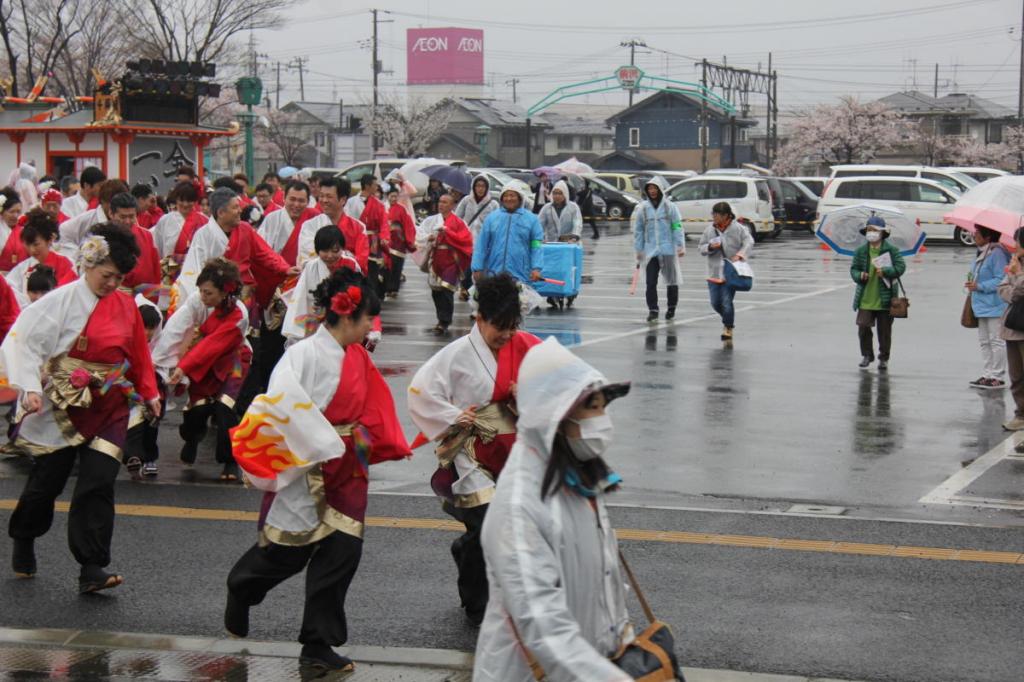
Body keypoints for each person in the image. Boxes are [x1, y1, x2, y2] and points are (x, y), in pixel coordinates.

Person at [224, 267, 409, 672]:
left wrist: (386, 442)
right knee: (291, 553)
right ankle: (242, 585)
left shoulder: (357, 356)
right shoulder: (302, 355)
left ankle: (317, 644)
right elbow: (278, 408)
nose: (369, 329)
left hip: (347, 467)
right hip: (309, 464)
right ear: (347, 316)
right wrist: (322, 441)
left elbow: (374, 406)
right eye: (367, 320)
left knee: (344, 552)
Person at [3, 224, 160, 592]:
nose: (111, 283)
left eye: (118, 278)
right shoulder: (61, 301)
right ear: (88, 264)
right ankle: (24, 534)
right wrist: (28, 387)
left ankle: (92, 567)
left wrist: (150, 393)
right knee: (47, 484)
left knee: (99, 482)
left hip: (110, 404)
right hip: (63, 404)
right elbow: (23, 340)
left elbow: (138, 354)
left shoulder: (126, 304)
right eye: (106, 275)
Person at [473, 337, 635, 681]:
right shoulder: (519, 506)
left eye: (604, 406)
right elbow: (544, 628)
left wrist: (622, 644)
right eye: (592, 406)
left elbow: (608, 583)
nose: (602, 419)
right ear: (555, 413)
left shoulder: (577, 479)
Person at [407, 273, 541, 626]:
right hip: (472, 451)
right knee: (488, 525)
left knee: (509, 527)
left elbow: (552, 387)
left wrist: (523, 393)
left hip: (512, 447)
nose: (508, 335)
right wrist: (454, 416)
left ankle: (466, 549)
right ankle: (478, 603)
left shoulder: (526, 346)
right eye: (500, 326)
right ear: (479, 319)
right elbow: (420, 393)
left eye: (513, 326)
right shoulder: (455, 355)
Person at [154, 258, 251, 481]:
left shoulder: (239, 315)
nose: (203, 296)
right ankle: (192, 437)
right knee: (197, 410)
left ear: (225, 292)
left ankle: (230, 461)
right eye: (201, 291)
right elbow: (176, 329)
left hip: (234, 359)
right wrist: (159, 361)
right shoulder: (197, 301)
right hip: (203, 359)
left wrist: (184, 367)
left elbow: (213, 344)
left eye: (209, 293)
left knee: (225, 407)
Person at [171, 187, 296, 314]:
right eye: (235, 207)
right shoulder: (203, 235)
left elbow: (265, 253)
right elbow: (195, 269)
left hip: (244, 292)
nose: (240, 210)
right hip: (216, 296)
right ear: (220, 213)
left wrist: (285, 268)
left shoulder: (245, 229)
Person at [282, 225, 363, 343]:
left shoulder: (351, 265)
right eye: (325, 251)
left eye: (335, 251)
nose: (330, 256)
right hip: (315, 323)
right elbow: (300, 298)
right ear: (317, 250)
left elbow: (360, 296)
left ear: (342, 248)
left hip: (344, 322)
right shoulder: (311, 267)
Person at [850, 216, 906, 370]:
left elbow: (901, 268)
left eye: (874, 230)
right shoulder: (861, 251)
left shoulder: (891, 250)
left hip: (885, 299)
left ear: (882, 233)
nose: (871, 233)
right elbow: (853, 269)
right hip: (865, 297)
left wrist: (886, 271)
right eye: (869, 230)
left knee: (884, 332)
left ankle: (884, 358)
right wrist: (859, 275)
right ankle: (867, 355)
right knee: (863, 328)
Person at [416, 193, 473, 334]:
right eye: (440, 201)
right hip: (436, 259)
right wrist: (428, 237)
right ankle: (440, 318)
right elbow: (419, 234)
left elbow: (465, 239)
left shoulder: (459, 223)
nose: (441, 204)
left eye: (445, 202)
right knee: (436, 291)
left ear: (452, 205)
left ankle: (445, 321)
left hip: (451, 260)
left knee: (447, 290)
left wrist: (448, 232)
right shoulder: (431, 220)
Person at [698, 201, 754, 339]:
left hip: (730, 271)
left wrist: (740, 254)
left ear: (726, 216)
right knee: (715, 303)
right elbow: (701, 247)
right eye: (713, 214)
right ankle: (728, 318)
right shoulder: (709, 230)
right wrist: (710, 247)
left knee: (726, 302)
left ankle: (728, 327)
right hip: (714, 271)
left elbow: (749, 241)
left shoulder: (738, 228)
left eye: (717, 214)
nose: (714, 217)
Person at [634, 176, 685, 324]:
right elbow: (638, 230)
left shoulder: (670, 207)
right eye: (649, 189)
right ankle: (653, 310)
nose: (652, 191)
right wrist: (639, 249)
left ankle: (671, 308)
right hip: (650, 251)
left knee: (671, 281)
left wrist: (680, 245)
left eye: (654, 188)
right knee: (650, 282)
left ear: (660, 189)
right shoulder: (643, 208)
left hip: (667, 249)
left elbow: (676, 226)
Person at [472, 182, 543, 286]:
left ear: (520, 198)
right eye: (506, 196)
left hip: (521, 274)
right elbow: (481, 245)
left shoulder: (531, 219)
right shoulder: (492, 218)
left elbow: (536, 245)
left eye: (512, 195)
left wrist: (536, 268)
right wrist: (477, 268)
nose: (509, 199)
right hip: (494, 273)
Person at [123, 295, 164, 479]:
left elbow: (164, 363)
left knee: (152, 422)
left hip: (153, 388)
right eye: (144, 327)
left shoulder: (160, 344)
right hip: (127, 388)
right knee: (131, 421)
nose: (147, 332)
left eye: (151, 328)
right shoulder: (124, 340)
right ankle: (133, 457)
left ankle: (149, 458)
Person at [966, 225, 1010, 389]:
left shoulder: (997, 253)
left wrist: (980, 286)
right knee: (984, 341)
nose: (974, 235)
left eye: (977, 233)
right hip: (981, 305)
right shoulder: (982, 252)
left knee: (996, 341)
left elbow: (1001, 279)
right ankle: (987, 373)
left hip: (994, 304)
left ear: (988, 236)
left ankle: (997, 375)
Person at [5, 210, 76, 307]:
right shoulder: (23, 267)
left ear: (50, 240)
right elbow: (9, 288)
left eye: (36, 244)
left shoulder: (66, 263)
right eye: (28, 245)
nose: (32, 250)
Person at [301, 177, 370, 274]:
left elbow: (361, 261)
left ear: (343, 199)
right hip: (315, 280)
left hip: (346, 281)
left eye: (329, 196)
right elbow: (306, 258)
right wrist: (347, 255)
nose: (324, 200)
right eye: (321, 196)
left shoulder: (358, 227)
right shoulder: (309, 225)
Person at [105, 191, 162, 298]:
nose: (127, 221)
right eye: (122, 217)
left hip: (145, 300)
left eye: (131, 216)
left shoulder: (147, 236)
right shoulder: (101, 237)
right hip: (113, 299)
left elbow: (156, 274)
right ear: (111, 214)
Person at [345, 174, 390, 298]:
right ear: (367, 186)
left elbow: (384, 223)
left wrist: (384, 237)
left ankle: (371, 297)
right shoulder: (351, 202)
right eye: (375, 185)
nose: (377, 187)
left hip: (372, 241)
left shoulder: (379, 204)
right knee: (356, 267)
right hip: (355, 239)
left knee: (372, 270)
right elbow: (347, 221)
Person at [1000, 227, 1024, 431]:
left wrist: (1018, 276)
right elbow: (1004, 291)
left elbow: (1017, 291)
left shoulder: (1017, 268)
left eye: (1017, 242)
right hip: (1013, 327)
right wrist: (1015, 281)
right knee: (1016, 375)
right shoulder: (1014, 263)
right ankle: (1020, 414)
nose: (1015, 246)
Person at [384, 185, 417, 299]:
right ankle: (387, 287)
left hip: (398, 243)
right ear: (387, 196)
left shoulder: (402, 209)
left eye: (395, 196)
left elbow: (408, 225)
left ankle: (394, 288)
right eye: (391, 196)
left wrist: (409, 240)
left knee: (397, 266)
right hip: (386, 242)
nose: (393, 199)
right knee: (387, 266)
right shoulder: (383, 208)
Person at [538, 179, 583, 244]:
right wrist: (540, 237)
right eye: (555, 193)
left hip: (569, 243)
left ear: (565, 194)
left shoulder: (573, 207)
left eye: (560, 193)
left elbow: (577, 223)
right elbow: (539, 224)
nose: (557, 196)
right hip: (550, 243)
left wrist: (574, 237)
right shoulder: (546, 208)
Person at [0, 188, 26, 273]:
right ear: (2, 212)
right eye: (11, 212)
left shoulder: (24, 229)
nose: (15, 215)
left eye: (18, 212)